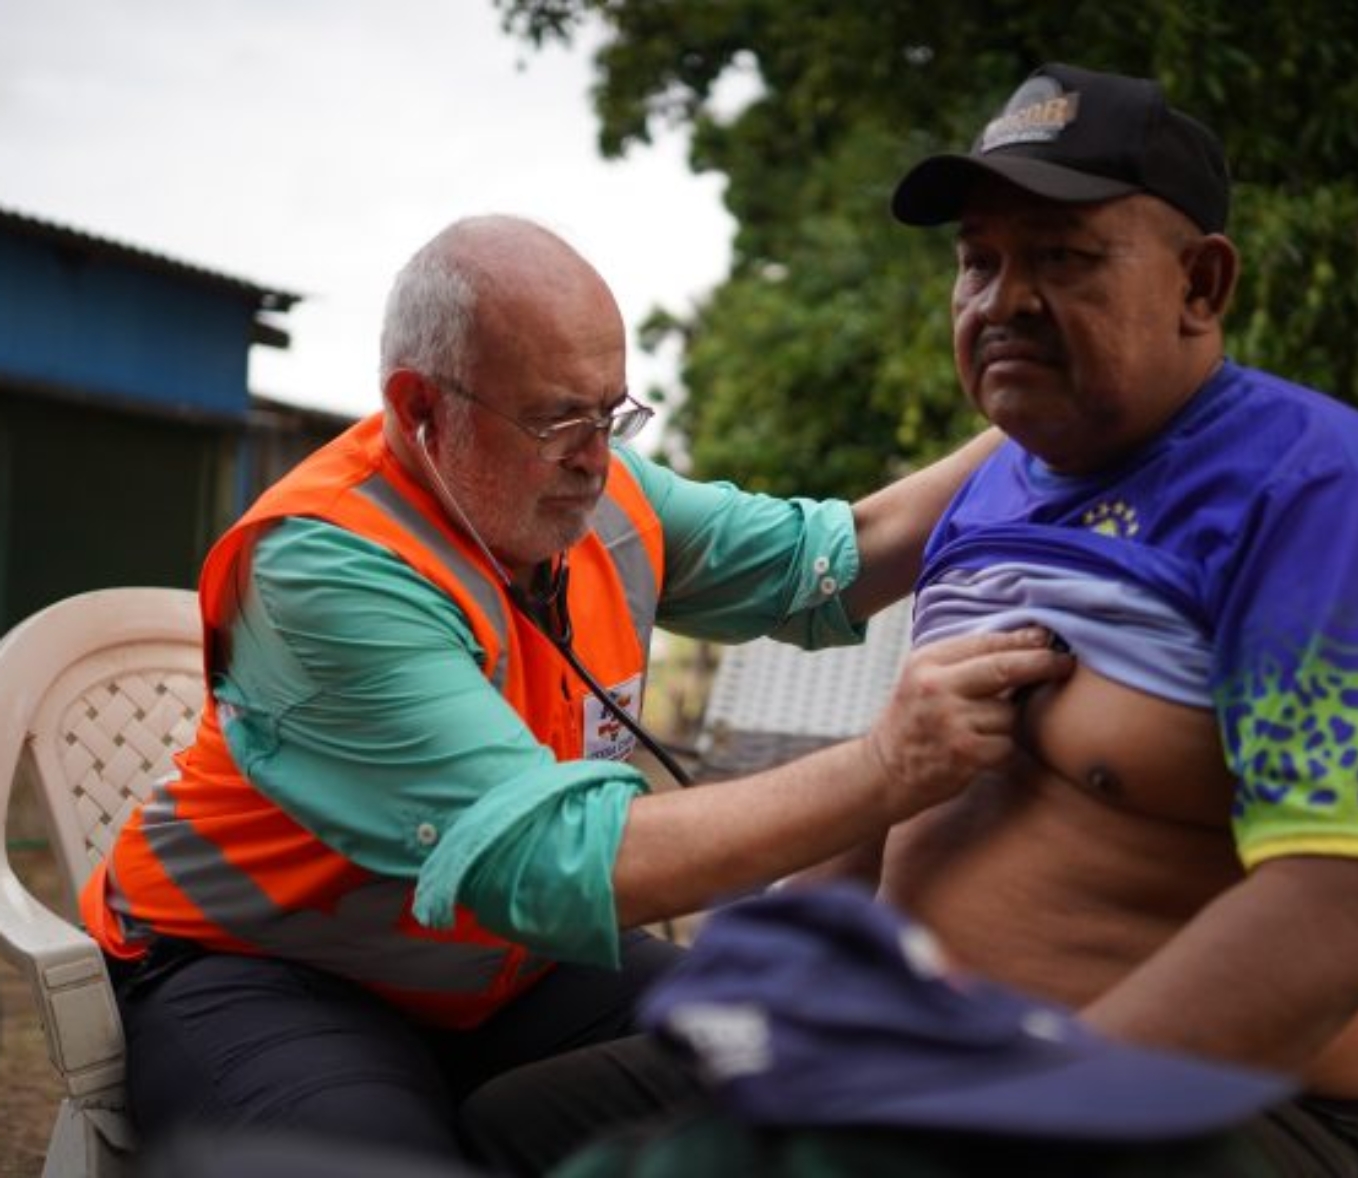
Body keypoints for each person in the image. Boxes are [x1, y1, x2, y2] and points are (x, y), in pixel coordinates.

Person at [76, 215, 1067, 1165]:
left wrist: (1055, 416)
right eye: (558, 418)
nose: (597, 458)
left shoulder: (605, 493)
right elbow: (548, 859)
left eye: (613, 409)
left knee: (799, 1057)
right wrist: (891, 765)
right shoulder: (322, 571)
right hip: (272, 966)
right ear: (420, 409)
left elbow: (836, 556)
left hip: (494, 965)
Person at [837, 62, 1358, 1176]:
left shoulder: (1329, 498)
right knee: (534, 1118)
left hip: (1264, 1109)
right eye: (978, 261)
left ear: (1201, 283)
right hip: (939, 1055)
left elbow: (1343, 914)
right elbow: (899, 803)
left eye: (1061, 257)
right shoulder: (990, 485)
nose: (1003, 301)